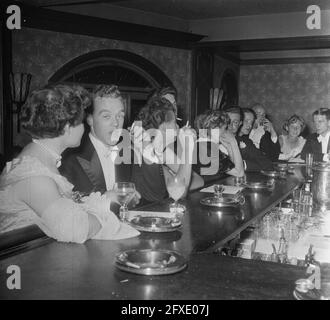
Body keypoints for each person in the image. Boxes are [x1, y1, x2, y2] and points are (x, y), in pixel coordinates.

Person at [0, 84, 139, 242]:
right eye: (80, 122)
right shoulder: (33, 176)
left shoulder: (40, 160)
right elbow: (78, 228)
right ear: (67, 128)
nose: (84, 127)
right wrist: (100, 214)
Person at [60, 84, 140, 208]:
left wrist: (132, 198)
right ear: (90, 119)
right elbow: (62, 210)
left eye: (120, 116)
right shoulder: (68, 157)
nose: (116, 123)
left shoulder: (127, 153)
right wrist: (106, 198)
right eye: (107, 116)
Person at [131, 96, 203, 203]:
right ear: (165, 126)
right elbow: (179, 194)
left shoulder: (163, 152)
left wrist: (176, 179)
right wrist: (188, 148)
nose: (178, 126)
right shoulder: (145, 154)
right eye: (175, 121)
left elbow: (198, 181)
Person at [193, 110, 244, 179]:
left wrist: (229, 147)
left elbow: (232, 166)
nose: (227, 132)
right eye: (225, 128)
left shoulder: (202, 144)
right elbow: (239, 173)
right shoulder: (208, 148)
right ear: (216, 129)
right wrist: (233, 142)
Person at [234, 107, 274, 172]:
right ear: (239, 121)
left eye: (251, 122)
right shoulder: (227, 138)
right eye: (246, 121)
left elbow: (267, 163)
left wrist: (244, 165)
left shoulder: (247, 141)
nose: (249, 125)